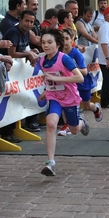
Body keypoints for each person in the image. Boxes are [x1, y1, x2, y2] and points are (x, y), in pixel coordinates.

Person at [38, 28, 90, 176]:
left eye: (49, 42)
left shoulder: (64, 58)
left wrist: (57, 79)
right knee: (51, 124)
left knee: (73, 130)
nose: (46, 45)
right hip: (54, 96)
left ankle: (82, 123)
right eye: (43, 42)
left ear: (58, 44)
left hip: (70, 97)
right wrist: (46, 91)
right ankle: (51, 162)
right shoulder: (42, 60)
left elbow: (79, 78)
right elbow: (50, 79)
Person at [57, 28, 103, 136]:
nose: (64, 41)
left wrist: (72, 71)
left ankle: (96, 109)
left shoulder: (76, 53)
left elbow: (85, 71)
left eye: (67, 38)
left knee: (86, 106)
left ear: (72, 40)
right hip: (68, 84)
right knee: (65, 102)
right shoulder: (58, 53)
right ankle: (66, 124)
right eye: (62, 38)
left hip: (82, 83)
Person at [3, 10, 40, 136]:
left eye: (31, 22)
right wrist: (28, 53)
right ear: (20, 20)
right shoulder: (14, 32)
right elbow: (12, 53)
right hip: (7, 70)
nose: (29, 24)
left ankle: (17, 128)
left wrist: (31, 51)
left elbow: (23, 49)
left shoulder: (27, 33)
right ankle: (7, 132)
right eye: (27, 21)